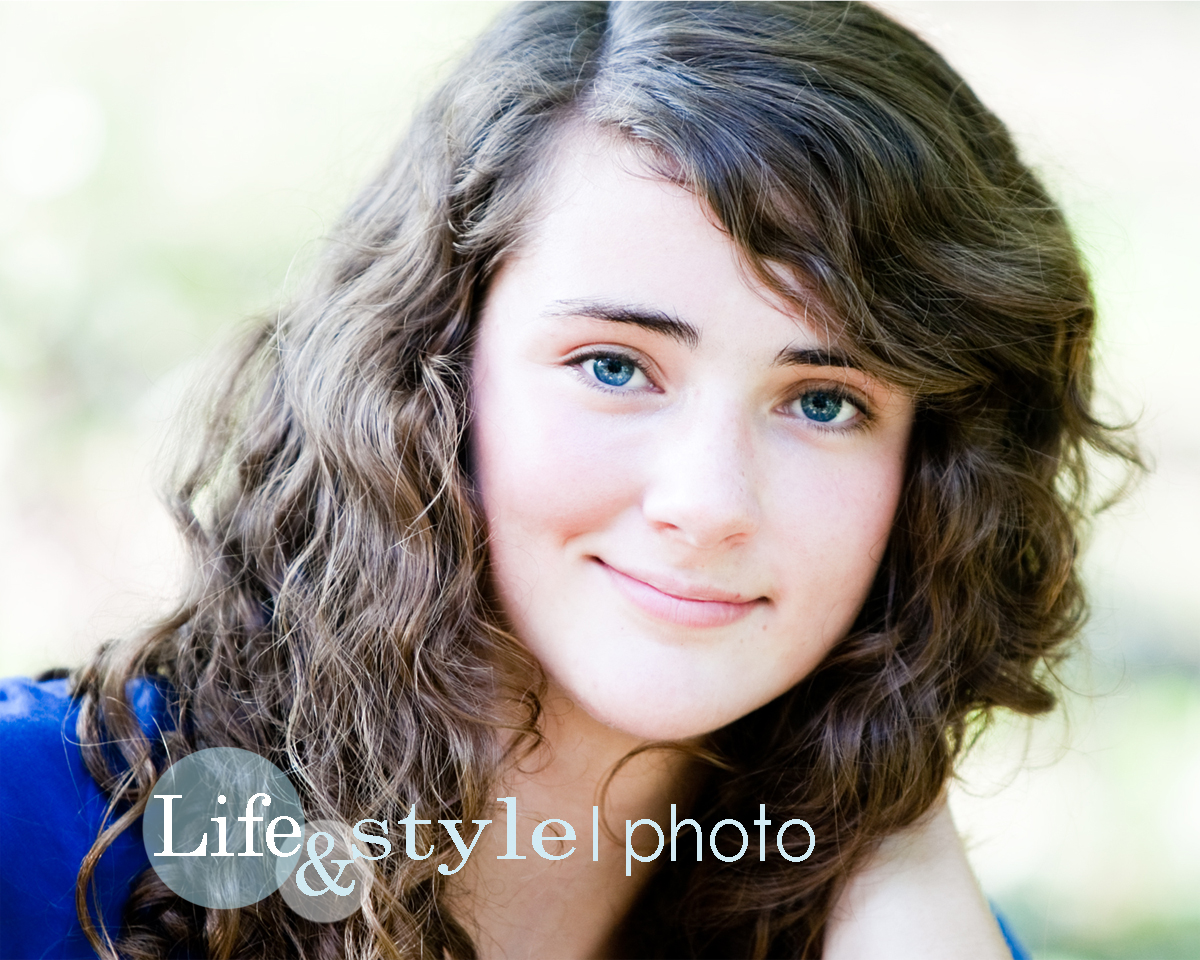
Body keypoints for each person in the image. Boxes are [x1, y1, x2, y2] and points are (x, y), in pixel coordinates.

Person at [0, 2, 1136, 958]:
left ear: (932, 477)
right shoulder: (29, 821)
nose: (707, 503)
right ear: (432, 371)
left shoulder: (910, 928)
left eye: (824, 402)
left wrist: (897, 817)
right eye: (614, 367)